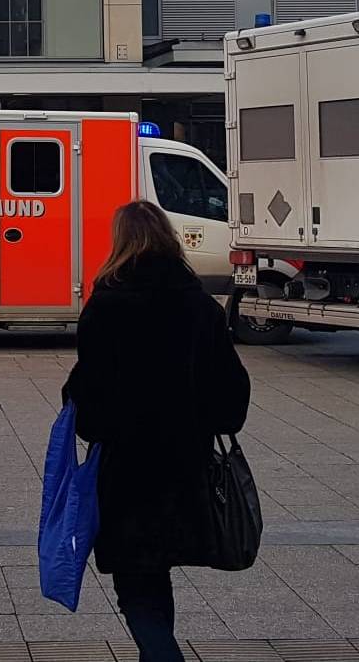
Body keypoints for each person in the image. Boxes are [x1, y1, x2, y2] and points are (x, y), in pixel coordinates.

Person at [63, 201, 250, 662]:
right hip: (186, 466)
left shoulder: (106, 306)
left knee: (136, 584)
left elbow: (88, 396)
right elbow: (232, 395)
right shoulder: (200, 306)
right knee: (156, 573)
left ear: (120, 242)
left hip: (127, 470)